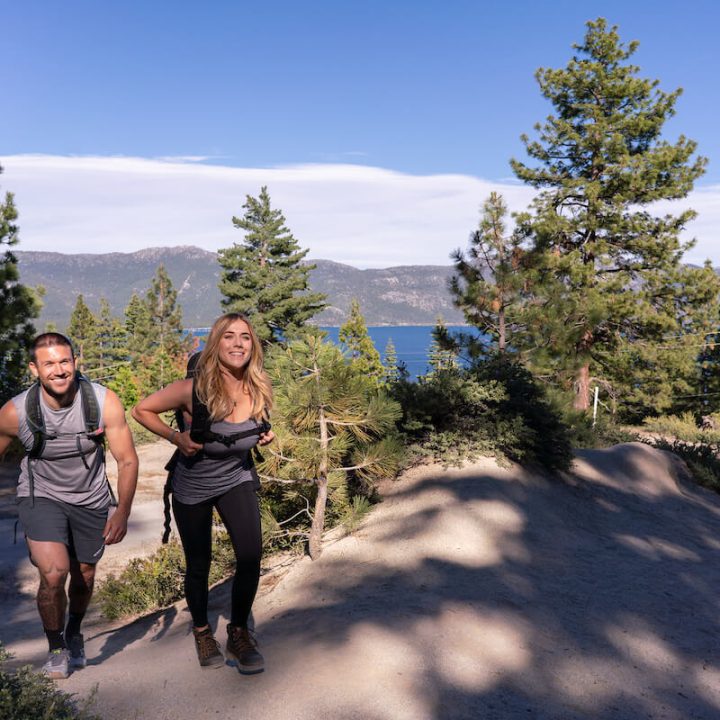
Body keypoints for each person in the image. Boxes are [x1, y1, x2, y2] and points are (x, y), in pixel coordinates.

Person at [132, 313, 274, 674]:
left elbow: (256, 425)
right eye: (229, 336)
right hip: (193, 486)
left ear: (252, 346)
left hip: (235, 478)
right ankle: (201, 631)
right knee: (199, 564)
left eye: (245, 337)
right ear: (216, 344)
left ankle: (238, 631)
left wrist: (263, 435)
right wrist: (175, 437)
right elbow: (141, 410)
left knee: (250, 556)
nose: (238, 343)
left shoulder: (259, 386)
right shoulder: (190, 389)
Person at [0, 332, 139, 679]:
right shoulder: (14, 412)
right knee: (54, 571)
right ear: (35, 369)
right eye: (49, 363)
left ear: (76, 362)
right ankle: (56, 648)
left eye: (65, 361)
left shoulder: (103, 402)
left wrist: (121, 512)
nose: (59, 370)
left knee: (84, 575)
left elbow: (128, 461)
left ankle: (74, 631)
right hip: (40, 495)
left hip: (92, 498)